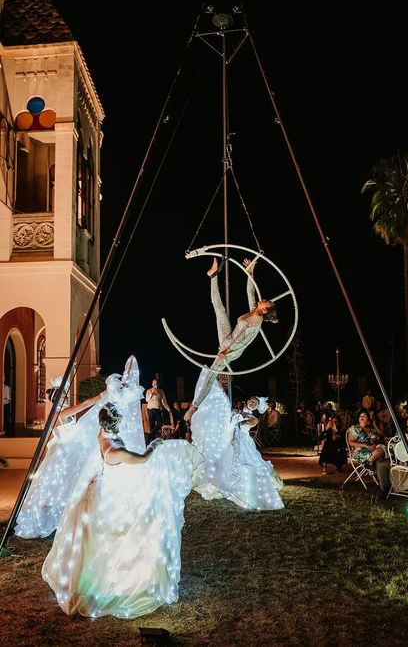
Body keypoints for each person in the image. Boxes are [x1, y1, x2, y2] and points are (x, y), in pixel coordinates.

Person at [42, 398, 201, 619]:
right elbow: (143, 459)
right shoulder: (114, 451)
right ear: (115, 423)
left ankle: (97, 577)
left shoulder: (103, 433)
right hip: (105, 496)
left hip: (101, 486)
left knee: (97, 539)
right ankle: (111, 581)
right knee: (115, 534)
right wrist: (155, 443)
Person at [14, 357, 143, 539]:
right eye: (65, 395)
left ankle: (61, 513)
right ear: (58, 398)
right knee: (65, 483)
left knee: (61, 485)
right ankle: (60, 515)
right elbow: (84, 405)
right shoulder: (62, 412)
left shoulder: (55, 413)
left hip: (63, 449)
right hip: (65, 452)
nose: (67, 397)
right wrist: (103, 395)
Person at [184, 257, 278, 422]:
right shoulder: (255, 311)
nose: (265, 299)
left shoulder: (256, 321)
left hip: (232, 349)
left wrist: (225, 352)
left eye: (267, 302)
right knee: (219, 309)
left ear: (265, 310)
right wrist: (250, 272)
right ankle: (213, 276)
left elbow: (242, 341)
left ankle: (195, 406)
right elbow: (250, 292)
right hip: (229, 337)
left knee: (211, 373)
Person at [191, 368, 284, 510]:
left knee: (244, 462)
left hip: (243, 442)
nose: (251, 403)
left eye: (254, 403)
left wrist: (239, 419)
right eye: (251, 401)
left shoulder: (252, 418)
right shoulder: (237, 411)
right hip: (232, 438)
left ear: (257, 407)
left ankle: (242, 482)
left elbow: (245, 423)